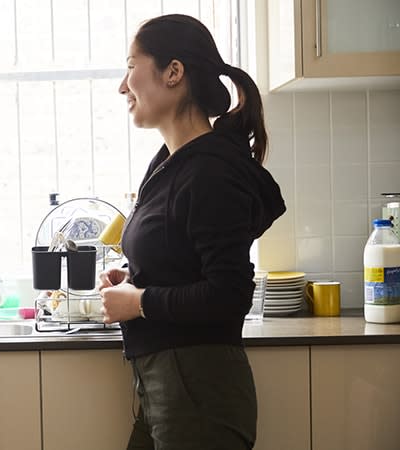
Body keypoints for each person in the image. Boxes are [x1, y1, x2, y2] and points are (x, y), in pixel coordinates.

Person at [98, 14, 286, 450]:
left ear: (174, 72)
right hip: (166, 386)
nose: (122, 86)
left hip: (197, 391)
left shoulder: (210, 172)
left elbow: (230, 294)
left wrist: (140, 302)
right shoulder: (170, 162)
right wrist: (136, 278)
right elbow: (188, 258)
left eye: (131, 66)